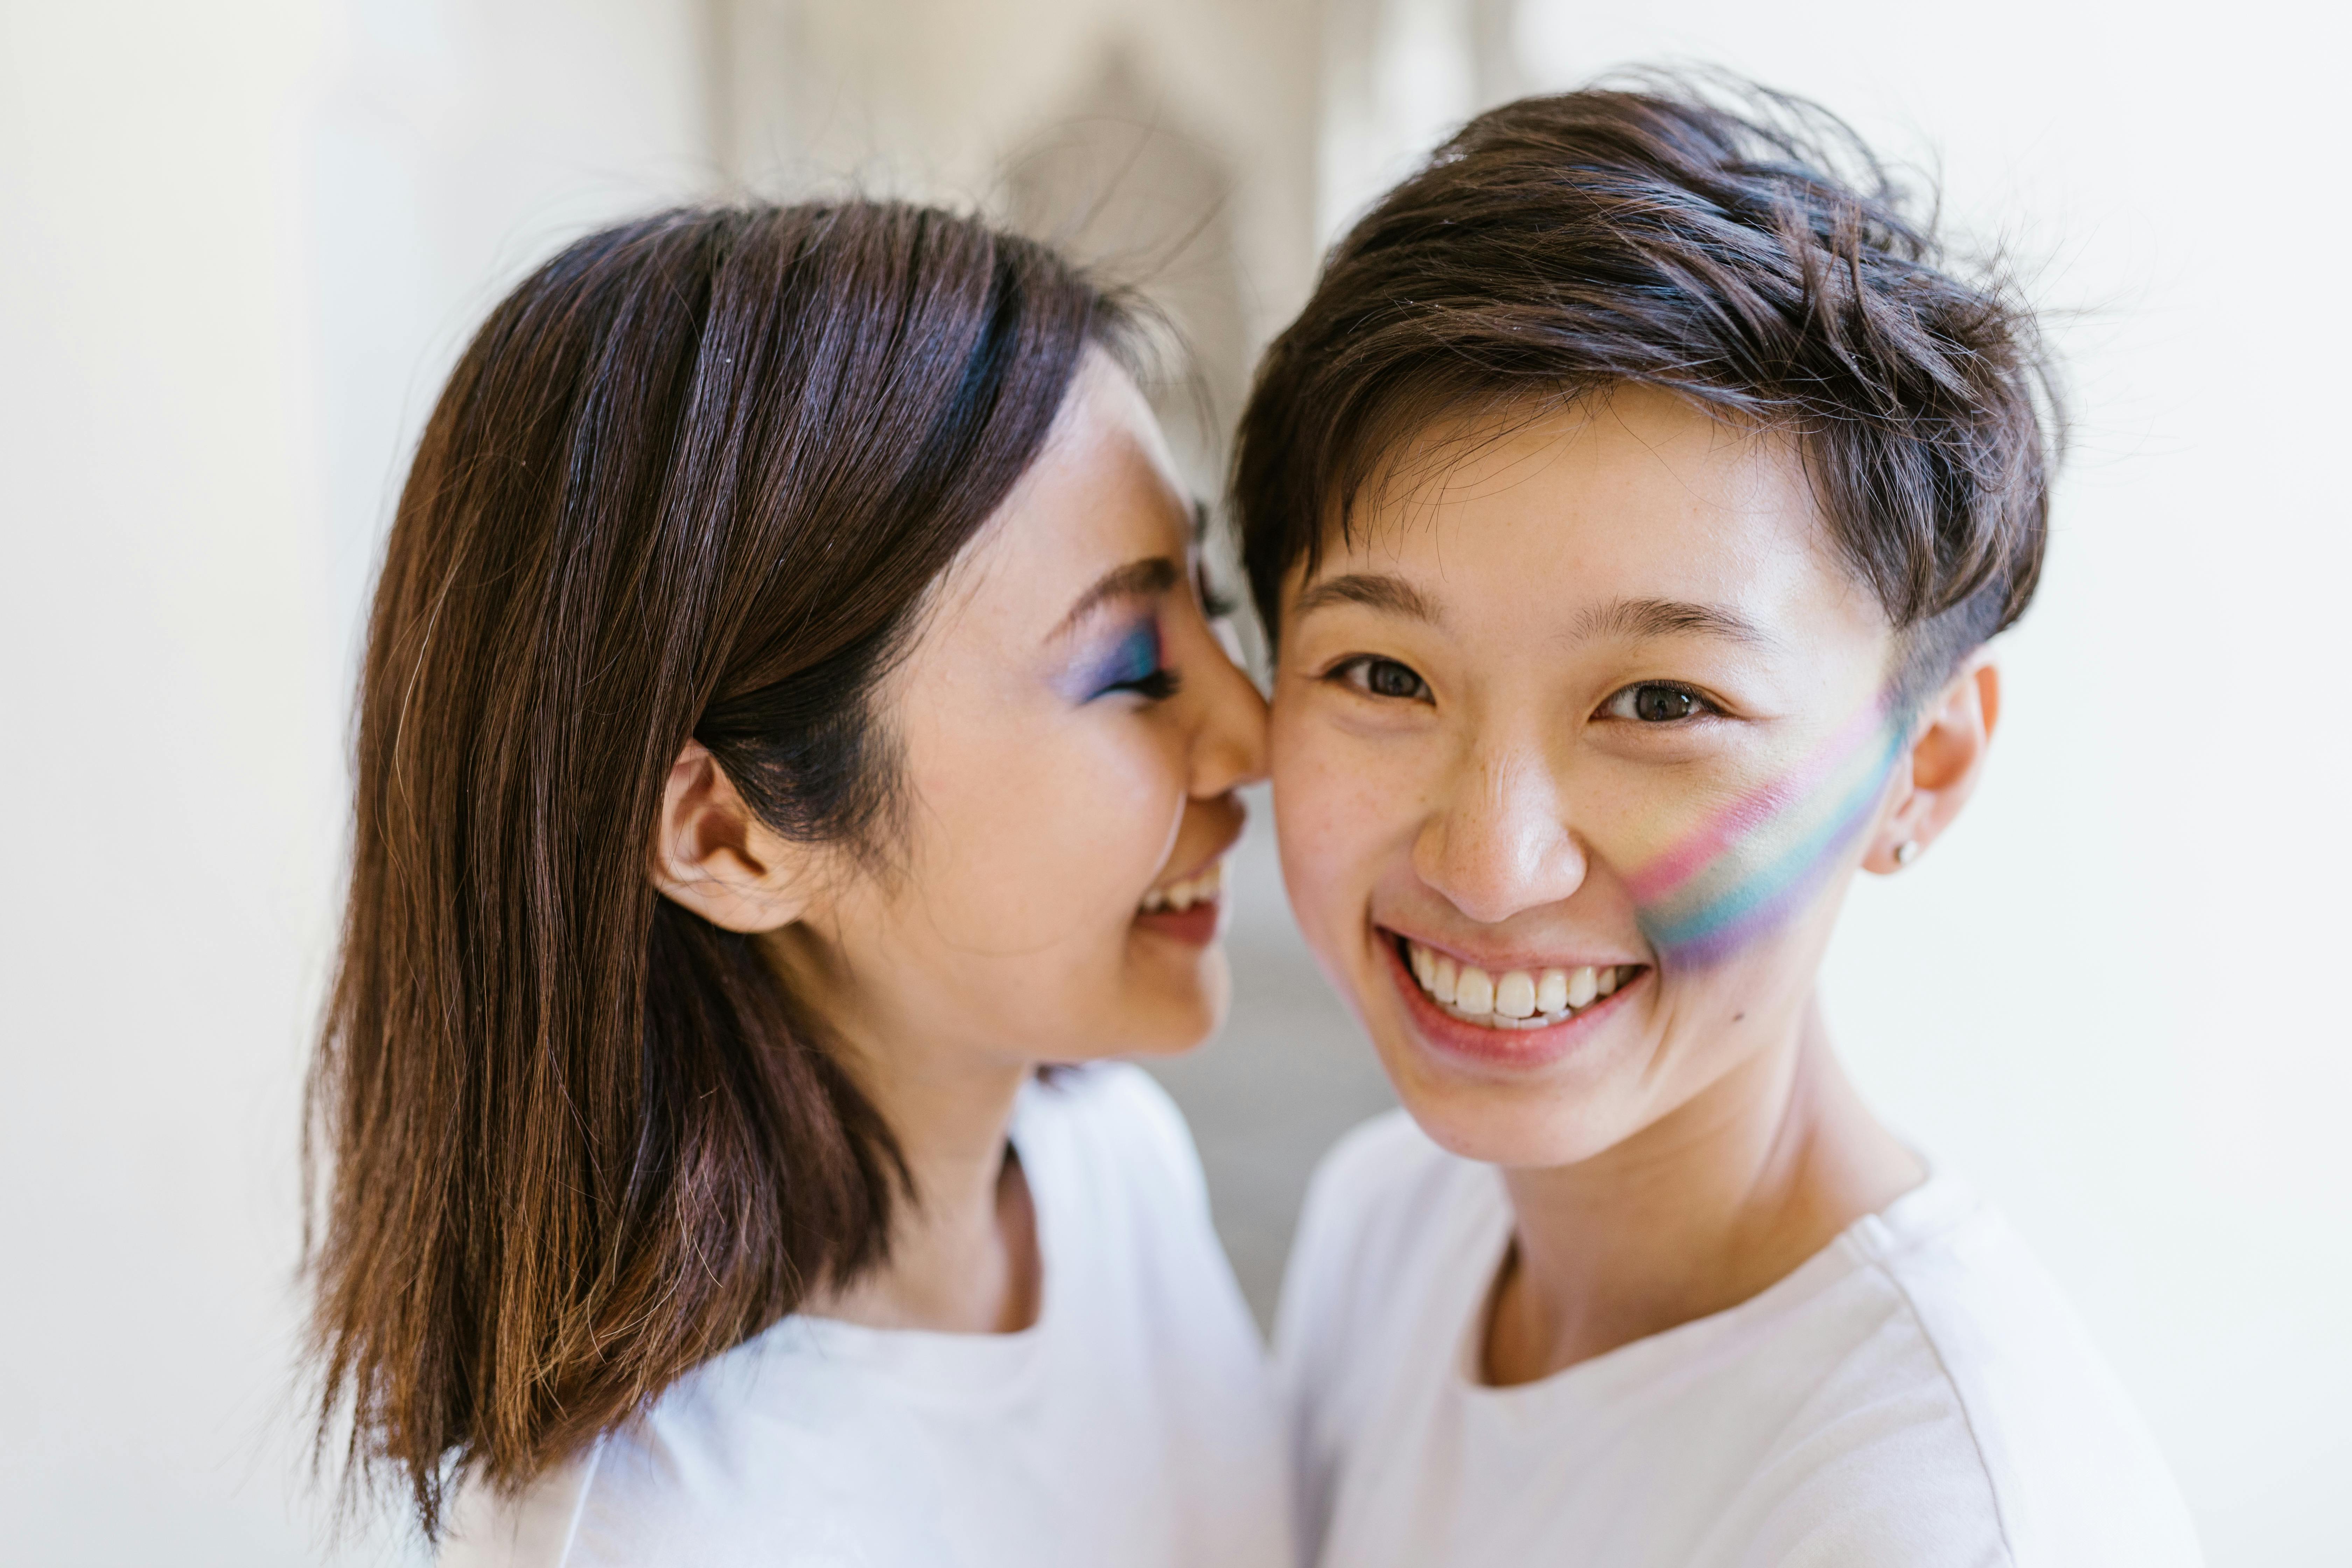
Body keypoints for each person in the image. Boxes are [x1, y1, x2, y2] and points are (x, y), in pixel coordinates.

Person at [1234, 82, 2202, 1566]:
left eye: (1664, 703)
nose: (1492, 865)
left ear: (1922, 769)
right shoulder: (1396, 1225)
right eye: (1384, 673)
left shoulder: (1935, 1511)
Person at [304, 201, 1287, 1567]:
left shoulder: (1112, 1170)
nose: (1255, 733)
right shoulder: (654, 1528)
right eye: (1128, 665)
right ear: (729, 835)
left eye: (1214, 607)